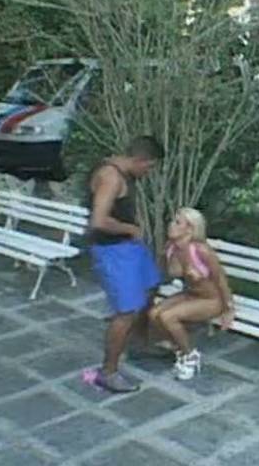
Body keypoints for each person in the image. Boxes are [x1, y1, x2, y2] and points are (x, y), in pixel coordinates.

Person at [87, 135, 164, 393]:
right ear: (139, 159)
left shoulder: (123, 171)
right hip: (112, 251)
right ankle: (107, 372)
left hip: (129, 247)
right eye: (149, 167)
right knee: (126, 311)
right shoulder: (111, 176)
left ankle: (138, 345)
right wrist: (130, 229)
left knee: (151, 286)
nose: (149, 173)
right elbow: (98, 221)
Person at [149, 207, 234, 380]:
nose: (171, 224)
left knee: (168, 317)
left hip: (212, 300)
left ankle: (191, 356)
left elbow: (220, 279)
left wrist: (228, 308)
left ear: (190, 229)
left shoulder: (201, 250)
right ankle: (180, 347)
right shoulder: (171, 248)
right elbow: (168, 273)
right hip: (190, 294)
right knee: (154, 313)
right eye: (173, 220)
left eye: (177, 222)